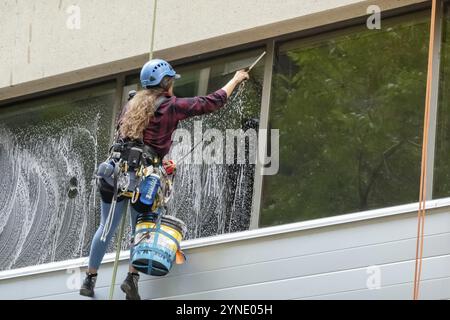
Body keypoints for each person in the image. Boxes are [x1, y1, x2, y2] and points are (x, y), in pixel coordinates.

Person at [79, 59, 249, 300]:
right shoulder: (170, 106)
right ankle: (131, 279)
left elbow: (132, 140)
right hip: (143, 178)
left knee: (105, 228)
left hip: (115, 172)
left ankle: (89, 279)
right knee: (140, 229)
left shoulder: (131, 104)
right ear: (167, 83)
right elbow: (211, 102)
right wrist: (236, 79)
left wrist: (157, 159)